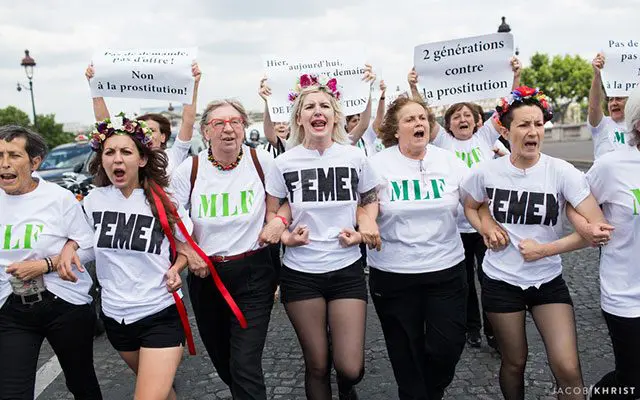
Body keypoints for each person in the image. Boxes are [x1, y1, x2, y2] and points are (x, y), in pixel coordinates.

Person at [462, 86, 609, 400]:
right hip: (501, 281)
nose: (533, 132)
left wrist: (546, 249)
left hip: (547, 281)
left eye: (538, 124)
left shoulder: (562, 172)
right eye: (524, 125)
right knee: (514, 362)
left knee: (568, 367)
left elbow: (594, 229)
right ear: (505, 129)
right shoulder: (486, 172)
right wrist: (486, 225)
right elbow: (470, 206)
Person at [59, 113, 193, 400]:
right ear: (101, 159)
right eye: (110, 152)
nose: (117, 159)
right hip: (116, 317)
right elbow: (87, 243)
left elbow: (186, 247)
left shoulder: (164, 200)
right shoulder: (94, 201)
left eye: (125, 152)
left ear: (142, 159)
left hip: (159, 313)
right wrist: (70, 247)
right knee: (163, 393)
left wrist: (177, 268)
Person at [264, 72, 379, 400]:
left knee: (350, 367)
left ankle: (347, 386)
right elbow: (275, 211)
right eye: (310, 106)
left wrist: (362, 230)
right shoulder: (284, 162)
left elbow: (369, 201)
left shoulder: (355, 157)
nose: (318, 111)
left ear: (335, 115)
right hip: (301, 274)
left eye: (324, 106)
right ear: (299, 117)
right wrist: (286, 238)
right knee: (316, 364)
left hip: (346, 269)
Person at [359, 95, 470, 400]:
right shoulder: (377, 164)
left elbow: (472, 203)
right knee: (405, 351)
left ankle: (431, 391)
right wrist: (367, 223)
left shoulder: (449, 161)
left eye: (422, 118)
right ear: (395, 130)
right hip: (394, 273)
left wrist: (486, 226)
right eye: (410, 119)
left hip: (446, 270)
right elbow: (367, 204)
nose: (419, 123)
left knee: (446, 346)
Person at [170, 99, 278, 400]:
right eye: (219, 123)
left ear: (244, 128)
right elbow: (170, 218)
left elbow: (282, 202)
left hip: (253, 274)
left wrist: (279, 221)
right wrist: (188, 252)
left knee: (245, 362)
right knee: (223, 361)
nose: (228, 129)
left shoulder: (262, 162)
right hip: (207, 277)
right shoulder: (189, 170)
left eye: (235, 122)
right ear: (206, 131)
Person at [0, 125, 102, 399]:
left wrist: (46, 264)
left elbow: (90, 246)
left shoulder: (58, 198)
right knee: (11, 391)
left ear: (35, 162)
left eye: (13, 155)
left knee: (81, 383)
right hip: (12, 309)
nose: (5, 164)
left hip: (63, 304)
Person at [585, 85, 640, 399]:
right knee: (632, 377)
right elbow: (575, 200)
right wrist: (590, 226)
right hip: (626, 292)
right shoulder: (612, 165)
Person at [85, 63, 201, 174]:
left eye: (152, 130)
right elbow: (104, 125)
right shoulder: (129, 159)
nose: (147, 134)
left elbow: (187, 122)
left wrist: (193, 85)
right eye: (142, 130)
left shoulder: (174, 155)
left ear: (163, 137)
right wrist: (95, 86)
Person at [588, 52, 630, 159]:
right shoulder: (602, 125)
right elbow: (594, 106)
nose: (613, 103)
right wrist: (597, 75)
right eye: (610, 100)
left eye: (619, 99)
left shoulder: (636, 127)